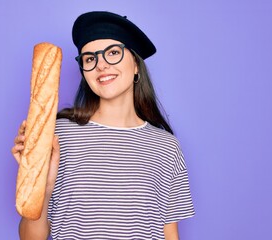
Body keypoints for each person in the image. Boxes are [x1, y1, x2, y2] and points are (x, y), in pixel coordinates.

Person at [12, 11, 195, 240]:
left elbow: (170, 234)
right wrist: (42, 187)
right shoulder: (58, 134)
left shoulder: (166, 147)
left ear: (136, 64)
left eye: (113, 53)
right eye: (90, 59)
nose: (101, 65)